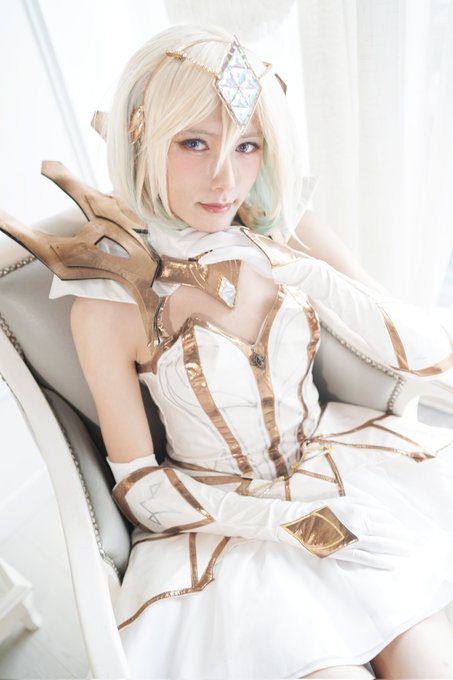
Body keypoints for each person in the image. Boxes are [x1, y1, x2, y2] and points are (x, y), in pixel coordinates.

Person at [4, 23, 453, 680]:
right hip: (225, 529)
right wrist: (286, 523)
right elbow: (139, 486)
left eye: (247, 145)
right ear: (141, 142)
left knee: (426, 659)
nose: (225, 176)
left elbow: (428, 353)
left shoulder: (291, 230)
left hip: (347, 472)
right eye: (194, 142)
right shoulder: (107, 303)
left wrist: (311, 273)